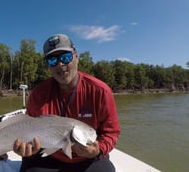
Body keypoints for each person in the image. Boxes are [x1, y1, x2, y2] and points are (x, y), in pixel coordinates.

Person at [13, 34, 120, 172]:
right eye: (52, 60)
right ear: (48, 66)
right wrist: (26, 149)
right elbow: (27, 127)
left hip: (87, 159)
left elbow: (111, 131)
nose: (60, 64)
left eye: (65, 57)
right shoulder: (39, 94)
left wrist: (98, 150)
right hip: (48, 157)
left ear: (76, 57)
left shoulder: (100, 91)